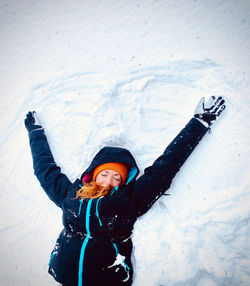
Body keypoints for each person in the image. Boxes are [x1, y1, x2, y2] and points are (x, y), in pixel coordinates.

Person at [24, 96, 226, 286]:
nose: (109, 181)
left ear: (124, 182)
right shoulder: (71, 194)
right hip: (64, 274)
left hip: (105, 280)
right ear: (94, 174)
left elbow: (165, 168)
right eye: (105, 174)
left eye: (117, 177)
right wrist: (35, 133)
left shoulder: (129, 202)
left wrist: (198, 124)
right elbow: (44, 169)